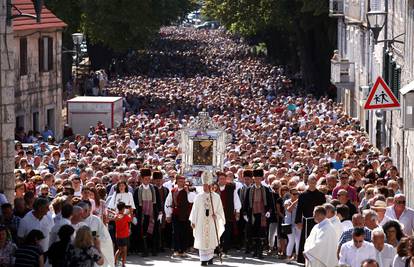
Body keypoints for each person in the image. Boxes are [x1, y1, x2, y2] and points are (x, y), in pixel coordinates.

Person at [190, 171, 225, 266]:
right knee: (202, 239)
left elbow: (220, 211)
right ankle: (203, 260)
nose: (206, 187)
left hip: (212, 221)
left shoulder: (216, 197)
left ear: (211, 185)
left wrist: (216, 216)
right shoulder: (198, 197)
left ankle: (210, 258)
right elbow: (194, 210)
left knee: (211, 239)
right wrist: (193, 221)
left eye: (207, 185)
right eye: (204, 185)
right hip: (201, 222)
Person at [294, 176, 326, 263]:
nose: (312, 184)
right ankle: (304, 259)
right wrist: (298, 221)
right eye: (310, 182)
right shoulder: (303, 195)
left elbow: (324, 209)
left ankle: (317, 259)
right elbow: (299, 209)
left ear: (316, 183)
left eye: (314, 182)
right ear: (307, 182)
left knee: (317, 240)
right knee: (307, 239)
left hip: (319, 221)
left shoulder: (321, 195)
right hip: (307, 221)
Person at [165, 175, 196, 257]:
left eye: (183, 181)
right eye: (180, 181)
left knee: (184, 232)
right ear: (177, 181)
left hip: (185, 215)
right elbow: (168, 202)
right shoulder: (173, 191)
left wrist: (188, 192)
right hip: (176, 214)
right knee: (176, 232)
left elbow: (192, 200)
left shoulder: (189, 190)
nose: (181, 183)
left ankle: (183, 250)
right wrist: (168, 214)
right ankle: (176, 250)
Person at [243, 169, 272, 259]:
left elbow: (270, 203)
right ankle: (255, 251)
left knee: (261, 233)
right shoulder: (249, 190)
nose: (257, 180)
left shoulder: (266, 190)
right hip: (252, 214)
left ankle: (260, 252)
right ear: (253, 179)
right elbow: (246, 203)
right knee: (253, 233)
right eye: (256, 178)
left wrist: (268, 212)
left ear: (262, 179)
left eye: (259, 178)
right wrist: (244, 213)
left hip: (262, 214)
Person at [133, 168, 162, 256]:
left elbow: (159, 201)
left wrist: (160, 212)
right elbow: (135, 203)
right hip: (142, 214)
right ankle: (144, 250)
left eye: (149, 179)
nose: (147, 180)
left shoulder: (154, 188)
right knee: (143, 232)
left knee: (154, 231)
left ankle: (154, 249)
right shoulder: (138, 190)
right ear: (141, 179)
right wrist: (134, 215)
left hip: (153, 213)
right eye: (145, 179)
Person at [78, 201, 114, 267]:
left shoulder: (96, 220)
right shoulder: (76, 219)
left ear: (87, 210)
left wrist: (95, 241)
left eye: (80, 211)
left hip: (93, 251)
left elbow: (105, 238)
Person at [216, 171, 241, 255]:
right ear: (218, 180)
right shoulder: (214, 188)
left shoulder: (231, 188)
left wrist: (237, 212)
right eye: (220, 179)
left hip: (228, 213)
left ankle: (225, 249)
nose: (222, 180)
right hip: (217, 214)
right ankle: (217, 248)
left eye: (224, 179)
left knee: (227, 232)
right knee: (217, 232)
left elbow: (236, 200)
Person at [114, 202, 131, 267]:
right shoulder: (126, 216)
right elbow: (130, 220)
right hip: (125, 235)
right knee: (124, 250)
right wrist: (131, 212)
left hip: (118, 235)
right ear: (123, 208)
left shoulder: (116, 215)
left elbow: (116, 218)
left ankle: (115, 262)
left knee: (119, 250)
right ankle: (123, 264)